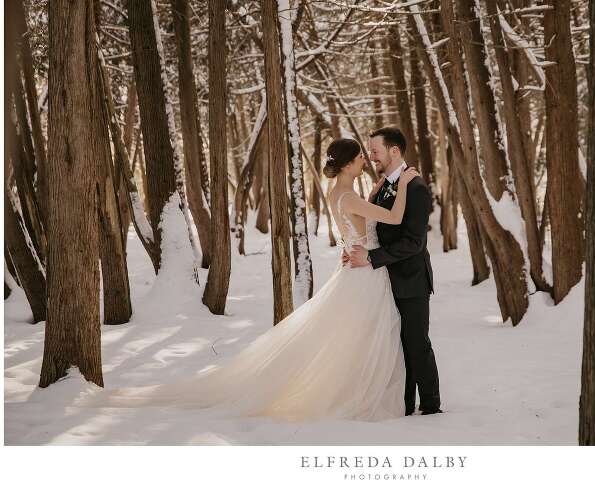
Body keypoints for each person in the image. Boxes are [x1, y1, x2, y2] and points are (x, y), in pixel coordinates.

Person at [74, 137, 421, 423]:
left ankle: (355, 389)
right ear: (347, 164)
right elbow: (394, 215)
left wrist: (376, 192)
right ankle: (356, 394)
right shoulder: (350, 197)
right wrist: (403, 183)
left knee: (354, 339)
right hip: (364, 277)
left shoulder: (342, 195)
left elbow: (363, 218)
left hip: (359, 270)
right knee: (363, 338)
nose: (365, 159)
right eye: (361, 156)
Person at [344, 126, 441, 416]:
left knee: (416, 344)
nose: (371, 156)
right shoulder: (385, 184)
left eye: (375, 151)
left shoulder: (416, 188)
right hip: (384, 281)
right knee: (396, 347)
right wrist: (354, 248)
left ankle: (431, 405)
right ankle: (405, 404)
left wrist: (372, 258)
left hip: (411, 280)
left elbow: (414, 242)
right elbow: (373, 227)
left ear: (394, 151)